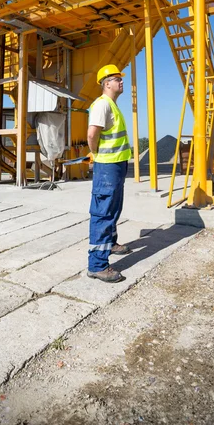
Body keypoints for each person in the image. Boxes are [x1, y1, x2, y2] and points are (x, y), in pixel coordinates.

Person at [87, 64, 132, 283]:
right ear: (107, 84)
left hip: (116, 165)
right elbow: (92, 134)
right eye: (117, 79)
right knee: (103, 212)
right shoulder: (102, 105)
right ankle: (97, 265)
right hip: (107, 167)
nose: (121, 81)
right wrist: (95, 153)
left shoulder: (112, 105)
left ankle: (111, 243)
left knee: (113, 208)